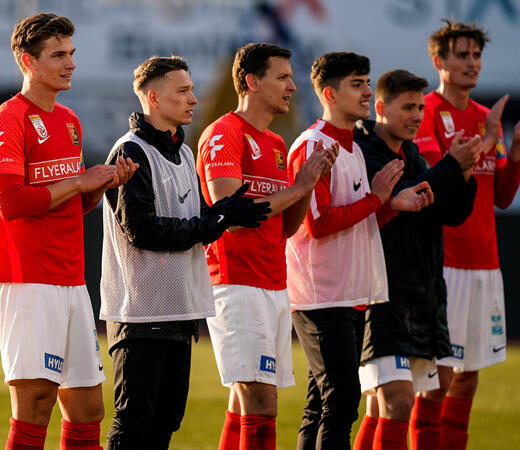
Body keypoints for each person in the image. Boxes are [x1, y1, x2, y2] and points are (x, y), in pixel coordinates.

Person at [0, 13, 135, 450]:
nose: (70, 63)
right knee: (35, 405)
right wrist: (78, 182)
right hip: (26, 281)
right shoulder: (6, 120)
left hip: (69, 281)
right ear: (28, 61)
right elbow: (9, 202)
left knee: (88, 409)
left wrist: (99, 185)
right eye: (58, 55)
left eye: (72, 53)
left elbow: (72, 200)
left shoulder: (68, 119)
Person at [101, 55, 271, 450]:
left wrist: (220, 215)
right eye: (183, 91)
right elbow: (143, 230)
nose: (194, 98)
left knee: (166, 421)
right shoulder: (131, 151)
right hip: (140, 312)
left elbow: (189, 223)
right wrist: (215, 221)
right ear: (154, 98)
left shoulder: (185, 152)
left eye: (192, 89)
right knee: (133, 423)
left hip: (180, 308)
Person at [287, 52, 433, 450]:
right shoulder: (313, 145)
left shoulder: (351, 147)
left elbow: (357, 224)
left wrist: (387, 205)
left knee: (323, 403)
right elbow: (317, 224)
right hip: (320, 296)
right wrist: (378, 198)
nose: (368, 91)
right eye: (357, 84)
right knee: (342, 399)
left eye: (367, 82)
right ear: (330, 93)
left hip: (350, 296)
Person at [196, 43, 337, 450]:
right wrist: (297, 186)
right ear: (253, 82)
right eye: (282, 77)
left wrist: (307, 188)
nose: (292, 86)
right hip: (235, 282)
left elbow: (286, 229)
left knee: (245, 403)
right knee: (261, 400)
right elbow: (231, 214)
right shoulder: (224, 133)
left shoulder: (276, 144)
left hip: (273, 282)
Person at [352, 69, 480, 450]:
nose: (416, 115)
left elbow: (446, 213)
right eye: (407, 107)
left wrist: (465, 173)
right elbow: (408, 200)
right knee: (396, 401)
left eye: (420, 107)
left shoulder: (412, 155)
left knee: (390, 404)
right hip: (381, 297)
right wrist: (449, 168)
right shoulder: (364, 152)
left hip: (420, 298)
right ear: (380, 108)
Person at [410, 20, 520, 450]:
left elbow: (502, 195)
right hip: (446, 264)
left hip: (485, 265)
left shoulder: (481, 117)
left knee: (469, 378)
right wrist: (485, 143)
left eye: (476, 56)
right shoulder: (428, 112)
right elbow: (438, 187)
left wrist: (513, 155)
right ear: (439, 61)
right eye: (462, 55)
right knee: (440, 378)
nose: (472, 63)